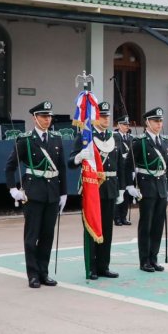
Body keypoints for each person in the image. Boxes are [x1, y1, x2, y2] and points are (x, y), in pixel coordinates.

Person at [6, 101, 68, 289]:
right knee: (32, 236)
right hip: (33, 193)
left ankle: (44, 272)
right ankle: (33, 274)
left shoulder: (56, 139)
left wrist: (64, 193)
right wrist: (13, 189)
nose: (47, 120)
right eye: (43, 116)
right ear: (35, 118)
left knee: (48, 235)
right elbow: (10, 167)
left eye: (49, 116)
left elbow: (62, 168)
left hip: (52, 193)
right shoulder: (25, 140)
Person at [68, 101, 123, 280]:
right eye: (102, 116)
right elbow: (70, 162)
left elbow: (120, 165)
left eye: (108, 116)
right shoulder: (85, 137)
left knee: (107, 229)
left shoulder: (115, 137)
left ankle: (103, 266)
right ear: (95, 118)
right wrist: (79, 157)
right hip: (93, 188)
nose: (106, 119)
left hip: (110, 188)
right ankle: (91, 267)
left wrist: (122, 189)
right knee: (92, 228)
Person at [125, 107, 168, 272]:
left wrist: (167, 188)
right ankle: (144, 260)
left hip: (161, 188)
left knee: (158, 225)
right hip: (146, 187)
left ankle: (154, 258)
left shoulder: (164, 141)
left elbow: (166, 168)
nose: (159, 124)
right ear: (147, 122)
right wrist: (129, 186)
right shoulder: (139, 142)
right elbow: (128, 165)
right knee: (146, 225)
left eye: (160, 121)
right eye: (156, 121)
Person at [113, 115, 134, 227]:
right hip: (118, 169)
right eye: (124, 124)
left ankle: (124, 217)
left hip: (128, 169)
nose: (126, 126)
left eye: (127, 125)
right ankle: (116, 218)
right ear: (118, 125)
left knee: (126, 194)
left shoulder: (130, 138)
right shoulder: (114, 137)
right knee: (118, 193)